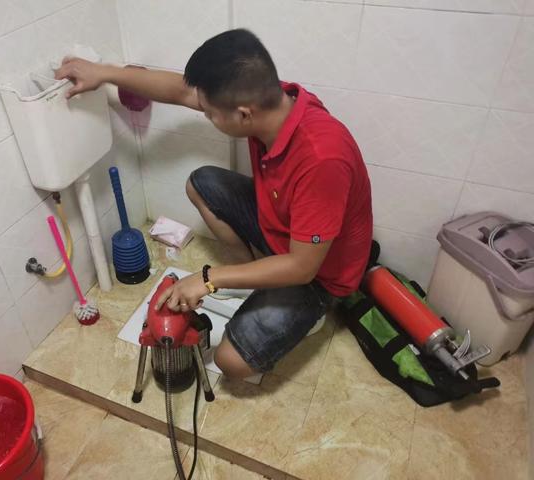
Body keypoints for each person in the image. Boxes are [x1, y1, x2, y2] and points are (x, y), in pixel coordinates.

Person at [55, 29, 373, 380]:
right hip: (284, 229)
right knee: (202, 184)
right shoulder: (273, 99)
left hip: (318, 274)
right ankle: (256, 275)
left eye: (209, 113)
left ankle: (308, 311)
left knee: (231, 362)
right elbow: (181, 90)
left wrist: (208, 280)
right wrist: (104, 73)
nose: (204, 114)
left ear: (243, 115)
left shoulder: (321, 158)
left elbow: (302, 267)